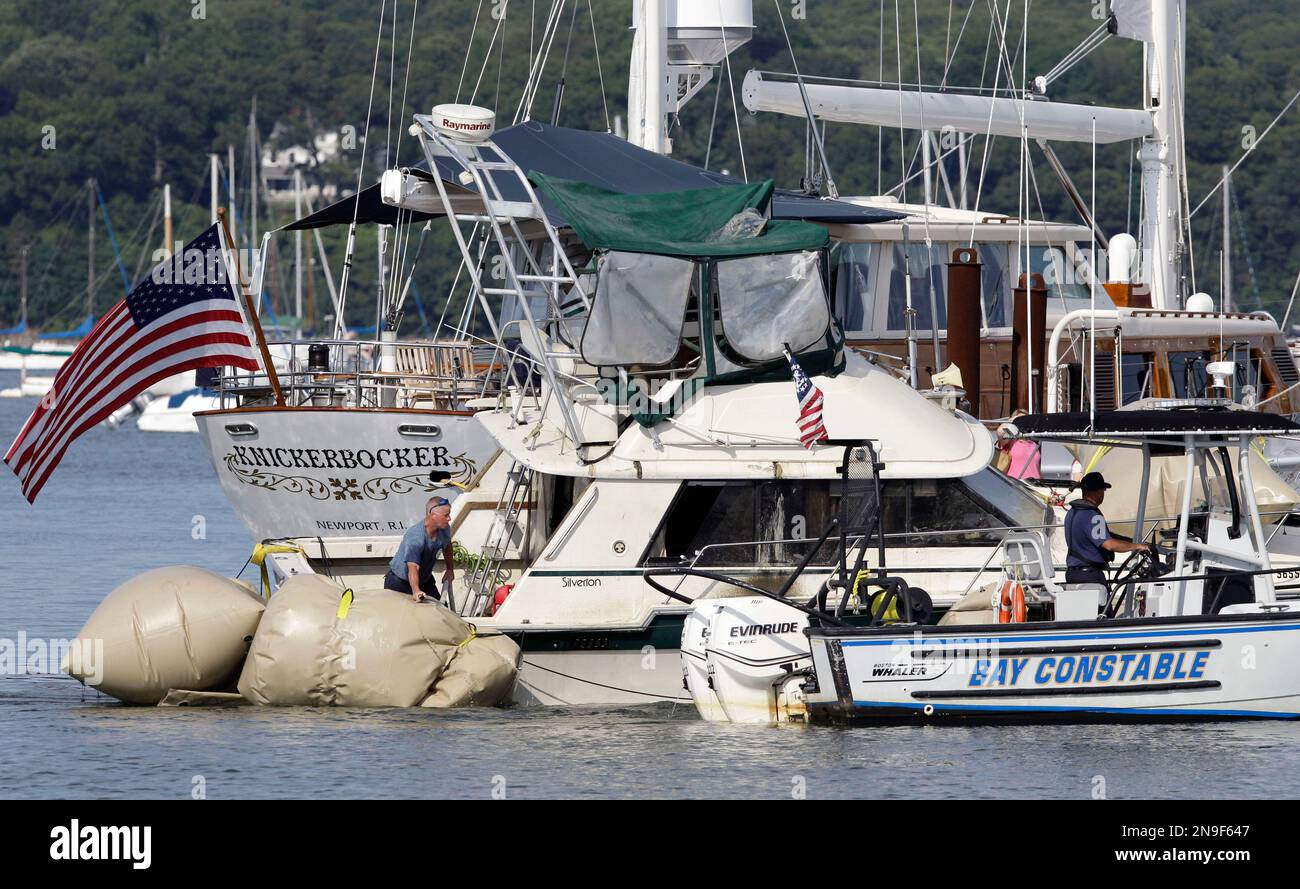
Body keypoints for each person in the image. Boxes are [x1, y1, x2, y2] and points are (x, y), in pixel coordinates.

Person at [1063, 472, 1148, 585]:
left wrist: (1128, 541)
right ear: (1098, 492)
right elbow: (1109, 544)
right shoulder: (1092, 516)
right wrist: (1138, 546)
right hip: (1089, 577)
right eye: (1103, 491)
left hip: (1072, 574)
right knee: (1103, 603)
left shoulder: (1071, 512)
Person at [383, 496, 456, 602]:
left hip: (425, 580)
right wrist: (416, 590)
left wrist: (450, 570)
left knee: (441, 613)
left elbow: (447, 545)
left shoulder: (444, 529)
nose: (449, 518)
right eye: (446, 515)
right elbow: (413, 567)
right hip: (400, 583)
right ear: (432, 515)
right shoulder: (416, 537)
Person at [995, 409, 1041, 480]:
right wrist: (1014, 420)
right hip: (1015, 484)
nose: (1023, 423)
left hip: (1035, 484)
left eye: (1026, 420)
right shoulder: (1010, 439)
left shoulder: (1034, 443)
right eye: (1021, 420)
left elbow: (1035, 467)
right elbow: (999, 431)